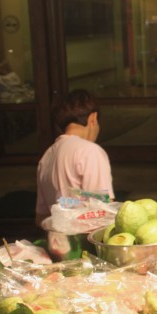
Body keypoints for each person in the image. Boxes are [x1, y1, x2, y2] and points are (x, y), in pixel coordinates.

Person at [35, 89, 115, 227]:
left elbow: (41, 218)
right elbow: (103, 210)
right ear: (93, 119)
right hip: (85, 241)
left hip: (58, 242)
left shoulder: (46, 157)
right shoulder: (90, 151)